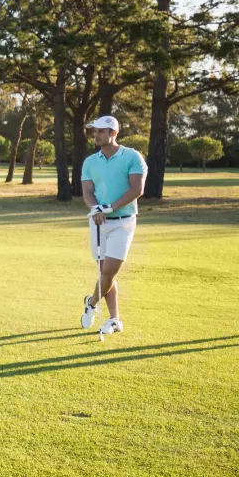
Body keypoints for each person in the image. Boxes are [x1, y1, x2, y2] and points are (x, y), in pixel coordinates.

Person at [79, 116, 148, 338]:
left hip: (123, 222)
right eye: (94, 131)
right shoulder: (90, 161)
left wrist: (110, 207)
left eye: (101, 131)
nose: (96, 135)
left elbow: (137, 189)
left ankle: (90, 302)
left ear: (113, 133)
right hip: (99, 223)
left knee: (109, 271)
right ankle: (115, 319)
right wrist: (96, 209)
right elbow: (88, 192)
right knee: (104, 273)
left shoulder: (132, 157)